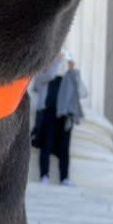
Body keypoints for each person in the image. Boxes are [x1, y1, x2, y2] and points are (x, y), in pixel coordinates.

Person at [31, 51, 87, 186]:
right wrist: (56, 61)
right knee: (46, 144)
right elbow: (49, 75)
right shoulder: (42, 75)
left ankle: (64, 178)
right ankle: (44, 176)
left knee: (64, 147)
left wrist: (73, 70)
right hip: (48, 113)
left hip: (65, 115)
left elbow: (82, 92)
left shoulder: (68, 78)